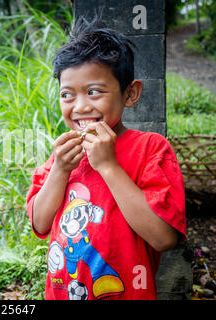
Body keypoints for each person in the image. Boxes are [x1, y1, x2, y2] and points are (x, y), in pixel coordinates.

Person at [26, 16, 186, 300]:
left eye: (94, 91)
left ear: (130, 93)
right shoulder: (62, 157)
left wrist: (108, 166)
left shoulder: (150, 149)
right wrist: (61, 170)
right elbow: (39, 223)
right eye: (67, 95)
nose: (80, 106)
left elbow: (164, 238)